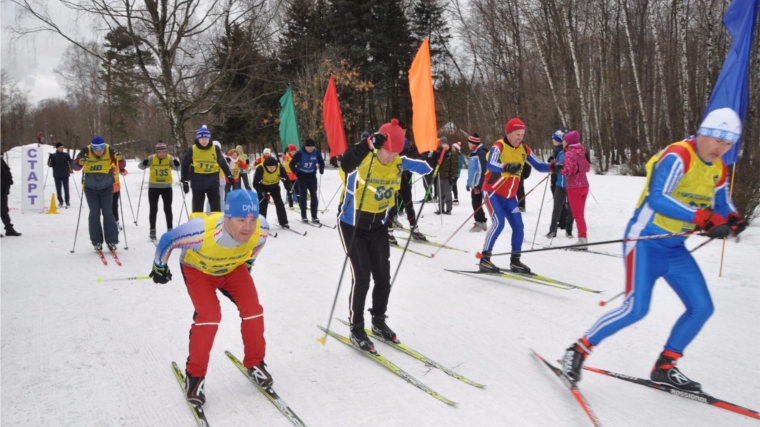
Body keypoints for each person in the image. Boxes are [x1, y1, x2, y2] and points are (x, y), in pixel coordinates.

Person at [560, 108, 748, 392]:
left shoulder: (718, 167)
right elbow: (658, 198)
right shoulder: (678, 156)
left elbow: (721, 204)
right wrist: (703, 218)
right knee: (636, 309)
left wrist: (732, 218)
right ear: (704, 132)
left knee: (702, 307)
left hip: (675, 247)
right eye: (717, 140)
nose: (721, 148)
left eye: (728, 143)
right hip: (645, 242)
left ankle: (665, 366)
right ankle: (577, 350)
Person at [149, 189, 274, 405]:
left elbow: (257, 247)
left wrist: (249, 263)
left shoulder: (261, 229)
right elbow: (167, 239)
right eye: (241, 220)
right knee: (209, 316)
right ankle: (195, 376)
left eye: (252, 219)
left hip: (233, 268)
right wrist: (159, 266)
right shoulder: (199, 231)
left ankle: (255, 362)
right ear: (227, 218)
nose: (248, 226)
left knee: (253, 309)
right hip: (199, 270)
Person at [338, 126, 432, 353]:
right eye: (388, 151)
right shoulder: (364, 159)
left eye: (396, 152)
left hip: (379, 225)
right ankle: (357, 327)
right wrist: (367, 144)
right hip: (354, 225)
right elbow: (345, 163)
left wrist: (435, 157)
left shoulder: (398, 162)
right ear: (379, 145)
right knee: (362, 277)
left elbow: (425, 167)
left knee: (383, 277)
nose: (391, 156)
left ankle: (378, 320)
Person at [478, 118, 554, 274]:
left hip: (510, 197)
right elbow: (490, 164)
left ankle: (515, 261)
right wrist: (506, 167)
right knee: (499, 224)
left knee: (519, 226)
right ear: (509, 133)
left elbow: (539, 165)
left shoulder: (524, 148)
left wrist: (553, 166)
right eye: (517, 134)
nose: (520, 138)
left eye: (522, 134)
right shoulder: (499, 146)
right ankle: (485, 259)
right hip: (493, 192)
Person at [73, 136, 126, 252]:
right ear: (92, 148)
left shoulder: (110, 150)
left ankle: (112, 240)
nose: (99, 151)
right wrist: (80, 161)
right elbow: (75, 166)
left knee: (108, 213)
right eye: (96, 149)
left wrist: (120, 158)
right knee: (94, 213)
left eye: (101, 149)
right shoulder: (85, 151)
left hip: (107, 187)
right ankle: (96, 241)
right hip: (90, 188)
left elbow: (121, 165)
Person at [385, 122, 427, 244]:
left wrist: (425, 156)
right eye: (401, 131)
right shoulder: (390, 141)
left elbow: (413, 154)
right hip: (392, 176)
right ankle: (388, 232)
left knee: (408, 202)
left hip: (403, 175)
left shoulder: (407, 142)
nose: (403, 133)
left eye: (404, 131)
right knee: (392, 204)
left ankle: (414, 229)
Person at [181, 126, 234, 213]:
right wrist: (184, 180)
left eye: (206, 138)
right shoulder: (192, 149)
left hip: (212, 182)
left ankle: (215, 226)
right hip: (197, 183)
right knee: (197, 211)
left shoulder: (215, 149)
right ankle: (198, 226)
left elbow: (222, 163)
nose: (204, 140)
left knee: (216, 210)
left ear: (209, 138)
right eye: (201, 138)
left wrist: (229, 175)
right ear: (198, 139)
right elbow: (185, 164)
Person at [138, 141, 181, 240]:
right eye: (160, 152)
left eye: (164, 152)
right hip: (154, 187)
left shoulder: (170, 158)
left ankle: (170, 229)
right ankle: (152, 230)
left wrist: (177, 164)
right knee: (153, 208)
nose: (162, 154)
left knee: (168, 208)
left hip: (167, 187)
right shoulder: (152, 158)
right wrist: (143, 162)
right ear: (157, 152)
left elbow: (178, 169)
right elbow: (141, 167)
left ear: (166, 152)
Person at [561, 130, 591, 249]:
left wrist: (559, 169)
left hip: (574, 187)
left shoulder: (569, 153)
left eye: (564, 140)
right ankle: (583, 239)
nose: (563, 142)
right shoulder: (581, 152)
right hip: (584, 185)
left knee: (577, 214)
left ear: (568, 142)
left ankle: (582, 240)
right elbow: (587, 168)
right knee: (580, 214)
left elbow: (568, 171)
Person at [546, 130, 574, 239]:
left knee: (571, 209)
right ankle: (552, 231)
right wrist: (553, 163)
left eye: (565, 141)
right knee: (556, 208)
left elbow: (574, 169)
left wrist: (563, 168)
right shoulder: (561, 153)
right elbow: (556, 167)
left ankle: (569, 230)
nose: (564, 142)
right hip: (559, 184)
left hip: (571, 185)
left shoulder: (573, 154)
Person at [290, 138, 324, 223]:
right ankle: (304, 216)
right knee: (303, 196)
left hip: (312, 177)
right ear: (305, 146)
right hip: (302, 177)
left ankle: (314, 216)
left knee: (314, 196)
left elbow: (321, 161)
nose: (310, 148)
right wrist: (296, 172)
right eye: (308, 147)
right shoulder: (300, 153)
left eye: (312, 146)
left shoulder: (316, 152)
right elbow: (292, 163)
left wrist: (321, 168)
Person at [253, 156, 289, 228]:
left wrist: (289, 187)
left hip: (274, 187)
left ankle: (283, 222)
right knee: (263, 205)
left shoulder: (279, 167)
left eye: (273, 167)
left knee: (279, 203)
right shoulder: (260, 168)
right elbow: (255, 183)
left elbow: (285, 178)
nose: (272, 169)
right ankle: (261, 223)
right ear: (266, 166)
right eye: (270, 167)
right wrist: (262, 191)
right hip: (263, 187)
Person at [466, 133, 488, 232]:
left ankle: (480, 223)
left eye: (469, 142)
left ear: (474, 143)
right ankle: (481, 221)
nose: (468, 144)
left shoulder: (480, 153)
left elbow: (482, 171)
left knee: (476, 204)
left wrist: (477, 186)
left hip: (479, 185)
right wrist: (468, 183)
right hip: (475, 185)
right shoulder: (474, 153)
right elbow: (472, 171)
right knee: (475, 203)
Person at [47, 142, 73, 208]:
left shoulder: (66, 154)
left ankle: (67, 201)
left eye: (62, 147)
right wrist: (50, 158)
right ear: (57, 148)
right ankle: (60, 201)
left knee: (66, 189)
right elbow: (50, 165)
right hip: (57, 175)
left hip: (65, 174)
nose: (62, 148)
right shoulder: (54, 155)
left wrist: (69, 160)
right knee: (58, 189)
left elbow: (71, 163)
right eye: (60, 147)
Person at [1, 154, 21, 237]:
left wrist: (9, 180)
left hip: (3, 189)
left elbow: (6, 170)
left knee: (4, 210)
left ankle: (9, 229)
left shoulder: (1, 159)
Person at [436, 140, 457, 215]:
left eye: (444, 143)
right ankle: (440, 208)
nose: (443, 145)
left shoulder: (451, 153)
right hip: (439, 176)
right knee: (440, 193)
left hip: (447, 177)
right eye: (441, 143)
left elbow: (454, 165)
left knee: (447, 193)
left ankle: (448, 209)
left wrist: (452, 176)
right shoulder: (439, 152)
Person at [111, 162, 128, 231]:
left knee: (114, 205)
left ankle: (116, 221)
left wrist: (122, 170)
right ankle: (108, 222)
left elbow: (125, 173)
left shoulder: (115, 163)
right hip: (104, 189)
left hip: (115, 189)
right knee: (105, 206)